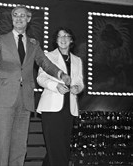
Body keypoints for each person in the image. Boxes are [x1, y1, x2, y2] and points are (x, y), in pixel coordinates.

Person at [0, 6, 71, 166]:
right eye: (15, 15)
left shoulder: (34, 43)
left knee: (20, 144)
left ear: (28, 19)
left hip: (26, 99)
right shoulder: (1, 39)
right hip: (6, 98)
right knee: (2, 142)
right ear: (12, 18)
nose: (19, 18)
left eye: (23, 15)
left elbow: (45, 62)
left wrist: (60, 74)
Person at [36, 27, 84, 166]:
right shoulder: (48, 56)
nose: (63, 39)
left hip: (69, 109)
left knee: (59, 148)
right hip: (51, 108)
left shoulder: (77, 60)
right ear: (56, 40)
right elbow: (41, 78)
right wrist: (55, 86)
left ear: (71, 40)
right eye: (59, 36)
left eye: (66, 36)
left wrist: (77, 88)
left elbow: (79, 82)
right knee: (57, 149)